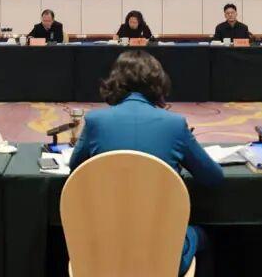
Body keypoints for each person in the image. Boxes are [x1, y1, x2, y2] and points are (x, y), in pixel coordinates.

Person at [70, 51, 223, 277]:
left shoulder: (95, 121)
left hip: (101, 253)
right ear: (159, 84)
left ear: (115, 82)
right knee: (205, 238)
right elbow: (214, 178)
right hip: (163, 256)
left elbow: (75, 169)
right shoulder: (175, 125)